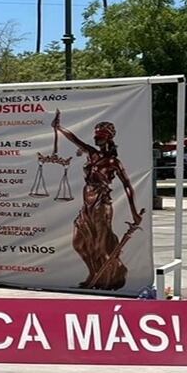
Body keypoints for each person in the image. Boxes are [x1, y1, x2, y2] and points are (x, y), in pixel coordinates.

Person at [53, 110, 145, 291]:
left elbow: (127, 185)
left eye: (101, 137)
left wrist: (134, 213)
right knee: (79, 243)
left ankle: (107, 280)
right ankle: (93, 273)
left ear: (109, 138)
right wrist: (59, 128)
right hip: (87, 203)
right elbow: (75, 140)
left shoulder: (113, 162)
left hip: (101, 204)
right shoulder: (92, 154)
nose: (96, 140)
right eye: (96, 136)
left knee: (100, 246)